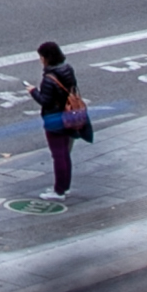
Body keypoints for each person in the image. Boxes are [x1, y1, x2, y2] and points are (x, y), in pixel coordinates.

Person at [33, 40, 89, 196]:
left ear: (46, 58)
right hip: (71, 116)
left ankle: (59, 191)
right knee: (65, 153)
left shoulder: (49, 78)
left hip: (55, 120)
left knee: (59, 155)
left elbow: (45, 101)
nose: (40, 60)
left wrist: (32, 91)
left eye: (41, 57)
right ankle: (65, 186)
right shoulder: (67, 69)